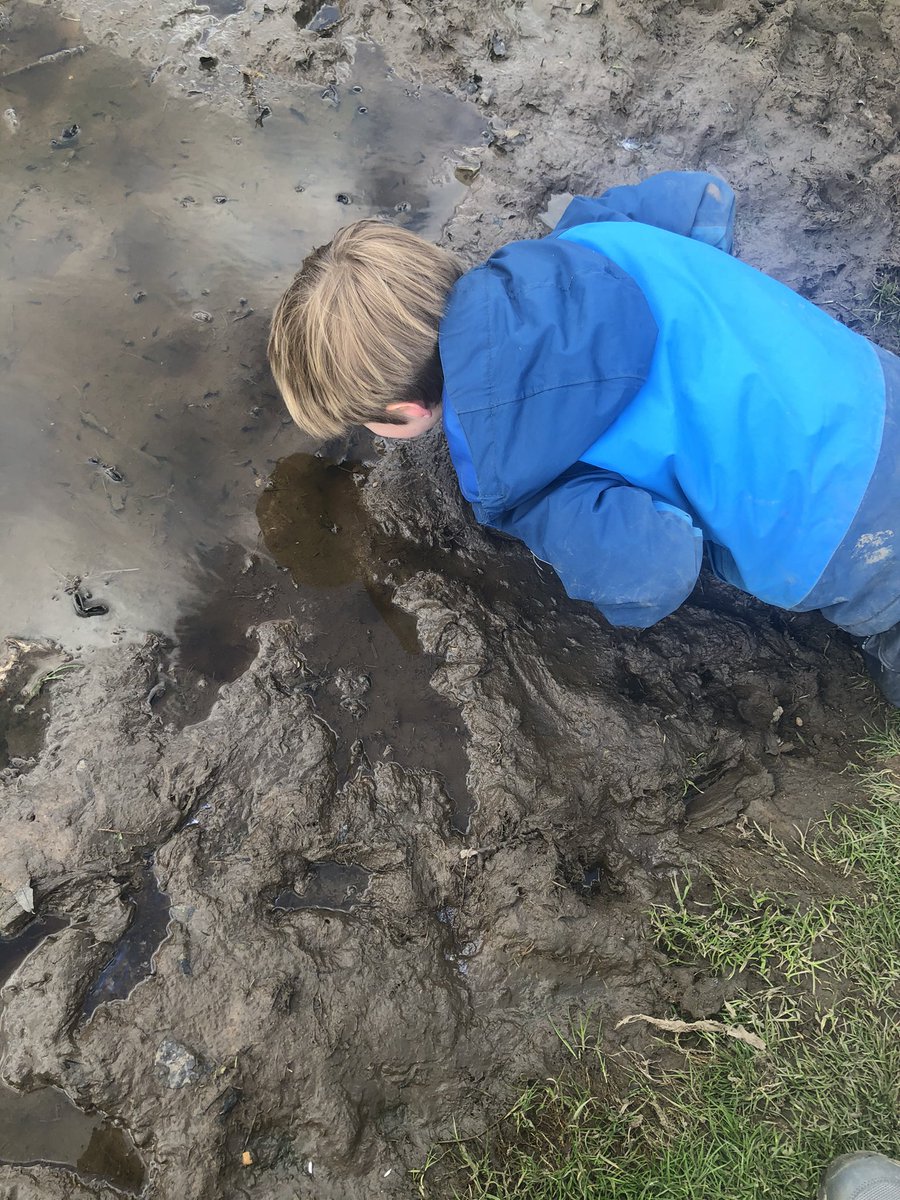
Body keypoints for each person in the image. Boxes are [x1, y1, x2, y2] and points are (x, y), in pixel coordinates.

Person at [267, 171, 900, 705]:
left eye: (365, 421)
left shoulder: (513, 468)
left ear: (405, 413)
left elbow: (654, 568)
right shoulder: (594, 236)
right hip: (874, 388)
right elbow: (701, 198)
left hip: (853, 533)